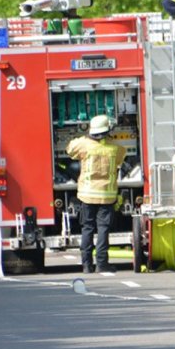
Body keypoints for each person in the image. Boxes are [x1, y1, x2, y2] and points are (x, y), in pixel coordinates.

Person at [66, 115, 127, 274]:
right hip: (107, 196)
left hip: (86, 195)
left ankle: (86, 265)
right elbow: (122, 157)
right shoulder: (116, 149)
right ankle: (102, 263)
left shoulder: (84, 145)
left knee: (87, 228)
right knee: (103, 230)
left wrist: (85, 136)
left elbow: (70, 149)